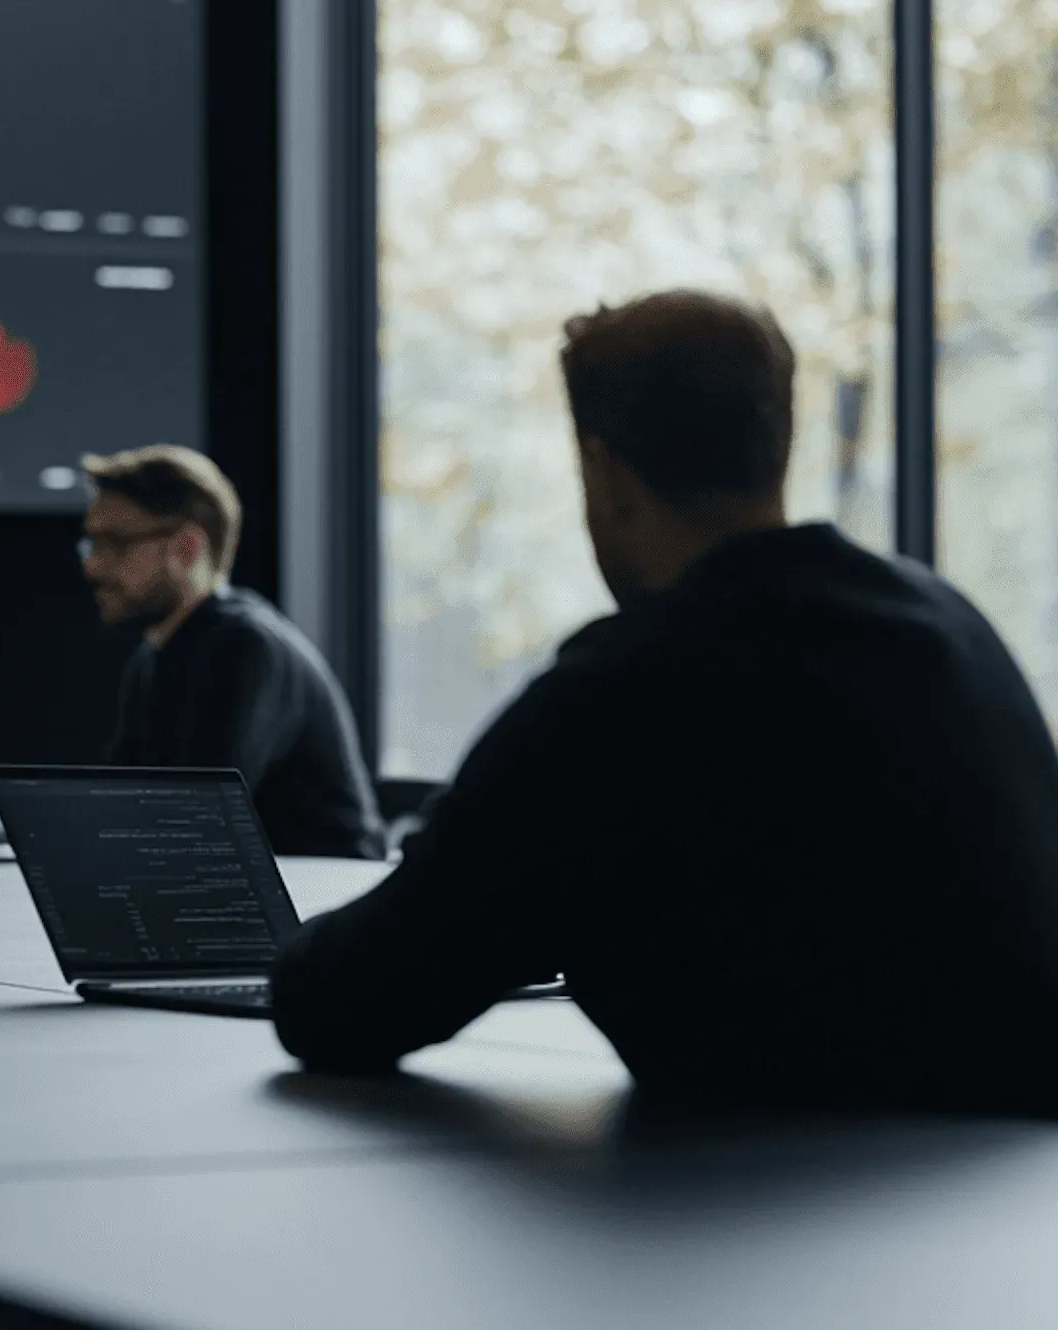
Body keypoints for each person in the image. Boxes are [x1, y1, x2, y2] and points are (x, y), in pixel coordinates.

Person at [272, 291, 1058, 1115]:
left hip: (770, 1218)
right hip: (1009, 1203)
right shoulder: (948, 631)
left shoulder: (616, 697)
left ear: (605, 475)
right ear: (777, 447)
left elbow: (339, 1005)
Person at [81, 445, 384, 858]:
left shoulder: (245, 646)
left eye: (114, 543)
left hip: (323, 896)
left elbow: (195, 818)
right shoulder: (154, 657)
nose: (92, 565)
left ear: (187, 549)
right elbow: (120, 806)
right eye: (92, 544)